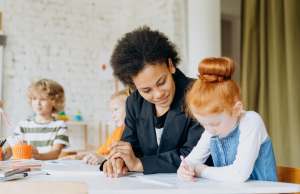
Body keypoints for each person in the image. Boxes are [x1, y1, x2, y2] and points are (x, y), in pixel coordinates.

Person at [101, 26, 211, 177]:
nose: (158, 94)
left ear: (171, 65)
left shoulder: (199, 94)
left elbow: (195, 154)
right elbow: (129, 146)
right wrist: (120, 159)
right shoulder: (134, 102)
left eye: (161, 82)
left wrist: (139, 164)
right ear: (134, 86)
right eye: (146, 90)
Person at [177, 57, 277, 182]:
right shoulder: (211, 130)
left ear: (237, 109)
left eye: (215, 123)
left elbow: (239, 175)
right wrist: (184, 170)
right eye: (203, 124)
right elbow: (191, 161)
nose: (209, 129)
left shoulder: (251, 121)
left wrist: (201, 170)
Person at [4, 79, 69, 160]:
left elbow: (55, 153)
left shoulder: (60, 125)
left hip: (48, 170)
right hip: (25, 168)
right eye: (34, 99)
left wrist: (37, 156)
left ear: (54, 101)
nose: (38, 103)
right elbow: (11, 148)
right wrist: (3, 154)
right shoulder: (23, 125)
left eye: (43, 99)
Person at [62, 89, 129, 165]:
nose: (113, 116)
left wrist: (104, 159)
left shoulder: (135, 133)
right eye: (112, 111)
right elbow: (100, 152)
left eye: (116, 109)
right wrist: (79, 156)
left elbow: (128, 158)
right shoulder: (118, 131)